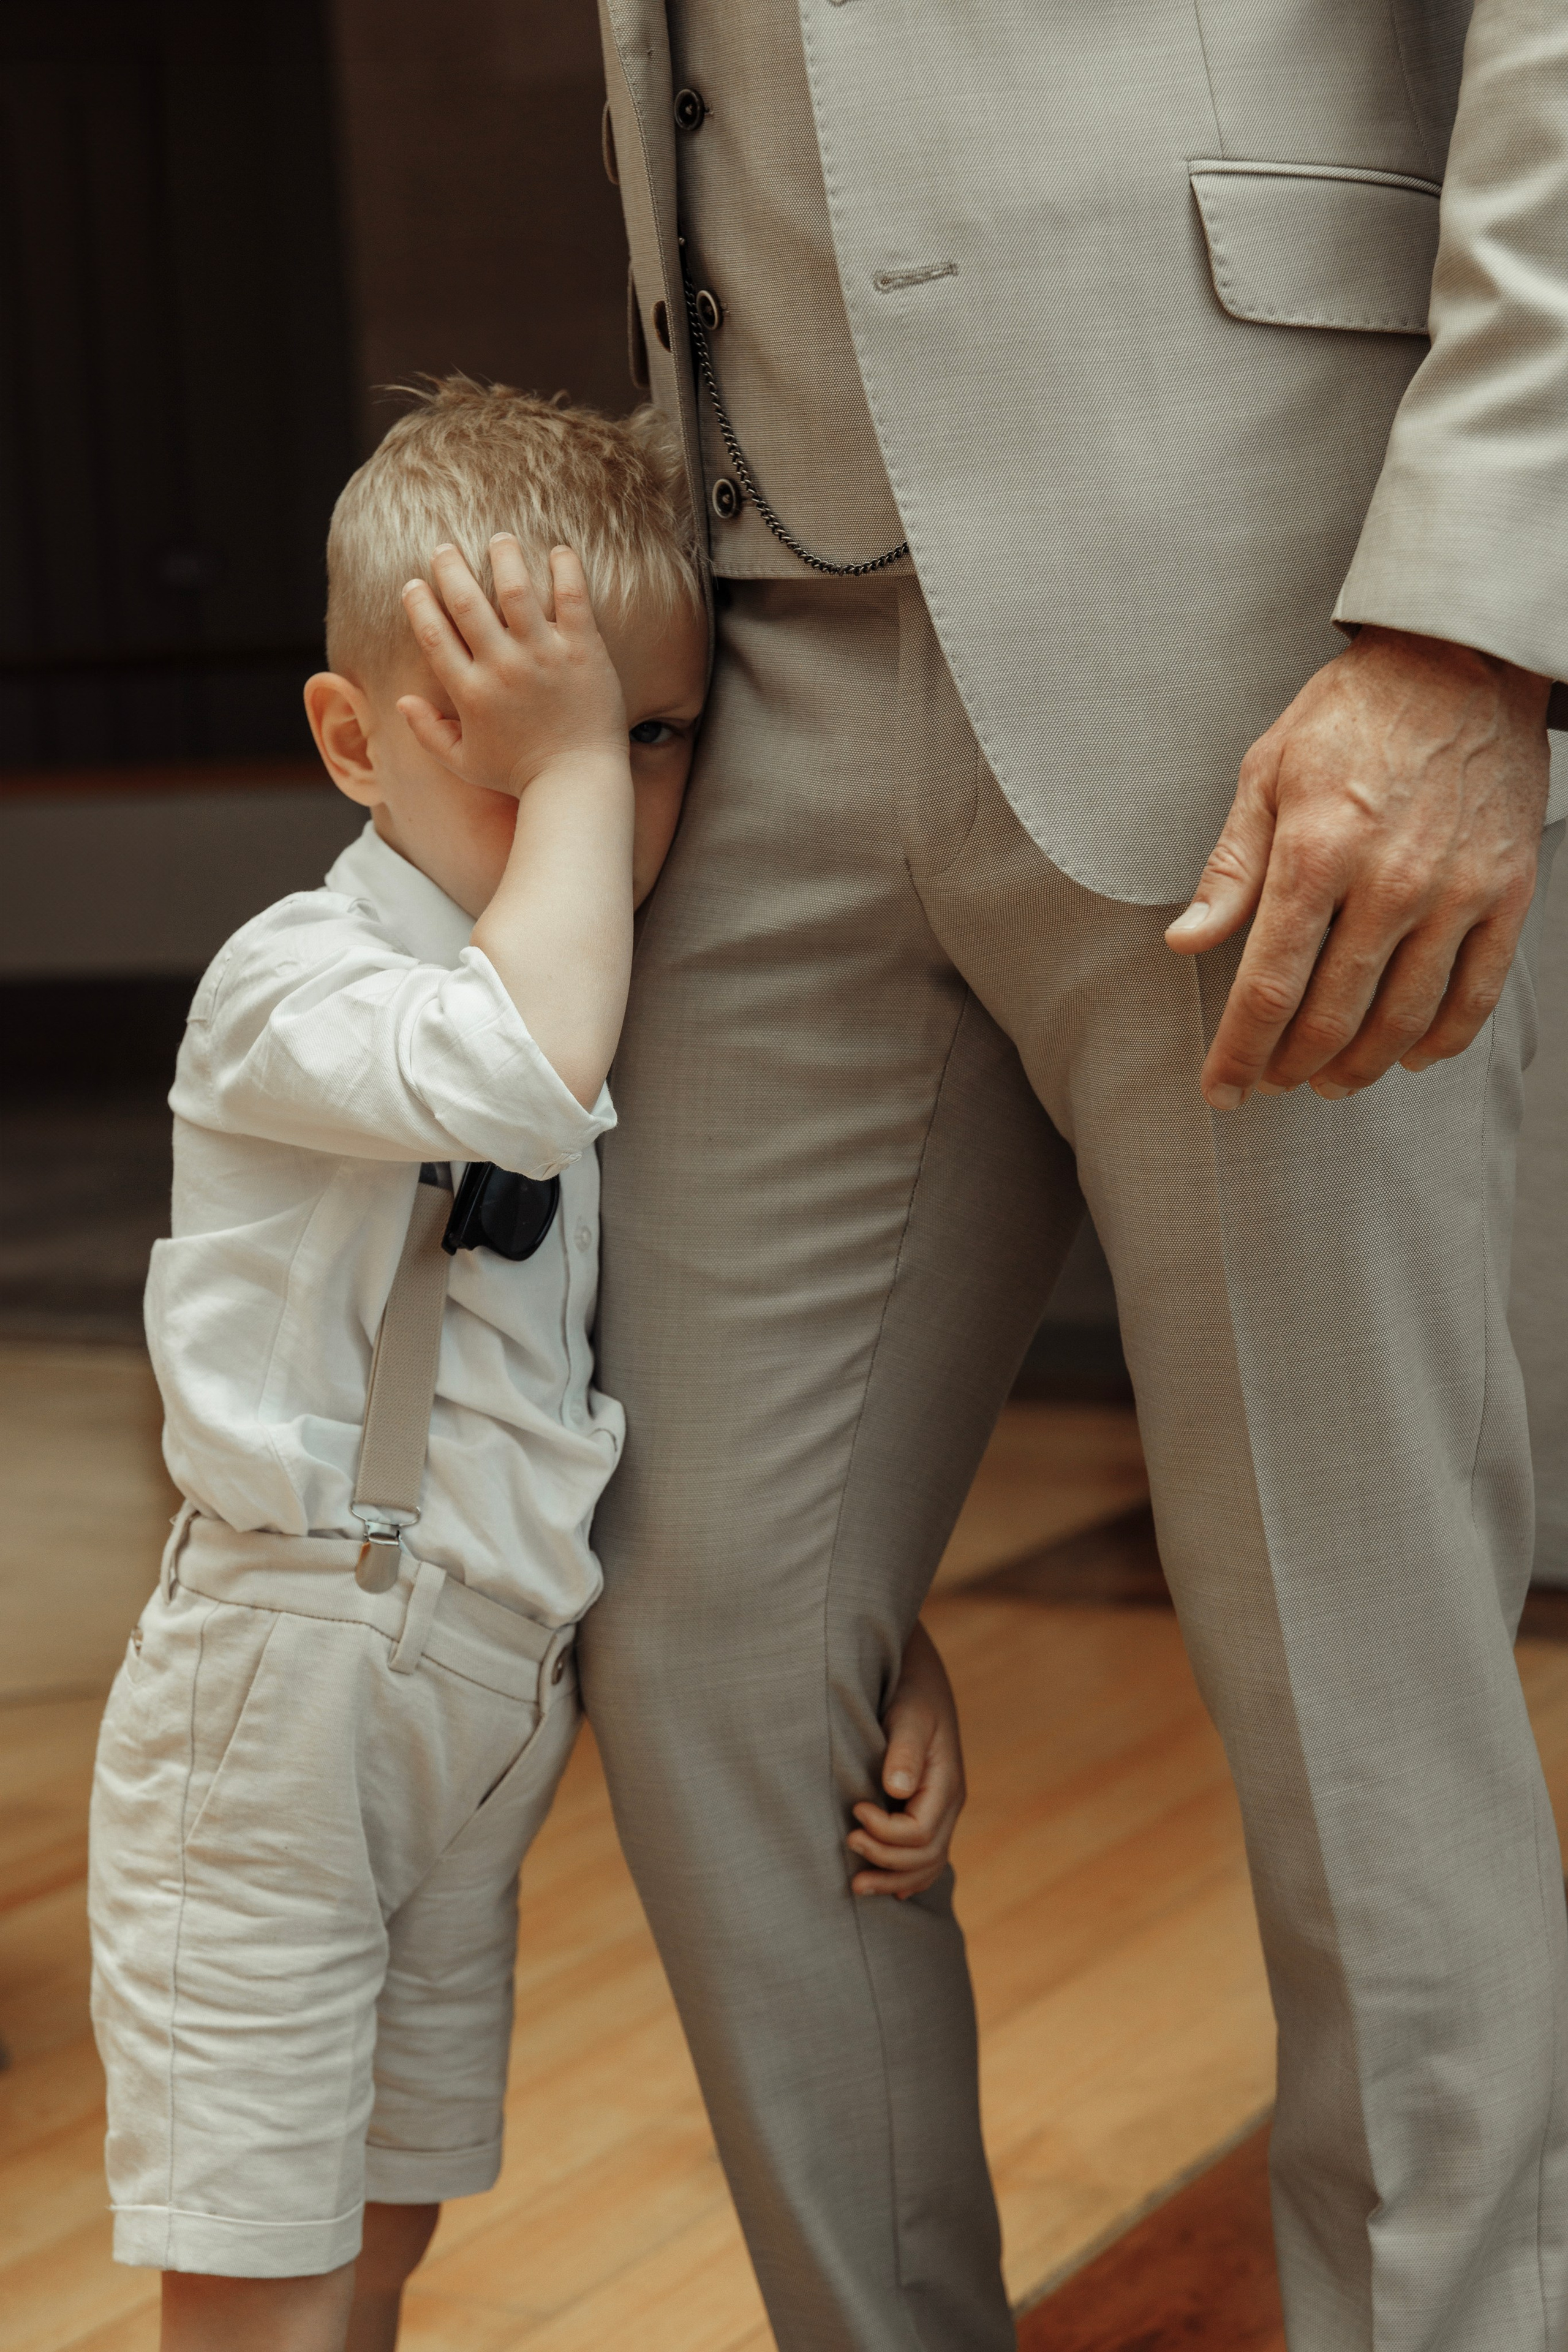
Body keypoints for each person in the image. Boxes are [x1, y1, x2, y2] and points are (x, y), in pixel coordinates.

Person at [587, 6, 1568, 2348]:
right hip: (763, 667)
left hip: (1278, 622)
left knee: (1356, 1687)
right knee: (709, 1645)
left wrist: (1471, 628)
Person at [86, 379, 968, 2352]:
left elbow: (682, 1404)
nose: (614, 796)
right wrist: (584, 769)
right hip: (286, 1698)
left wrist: (884, 1629)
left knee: (386, 2228)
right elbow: (512, 1065)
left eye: (657, 739)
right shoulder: (293, 985)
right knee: (268, 2266)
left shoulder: (600, 1035)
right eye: (526, 740)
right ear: (348, 737)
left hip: (479, 1720)